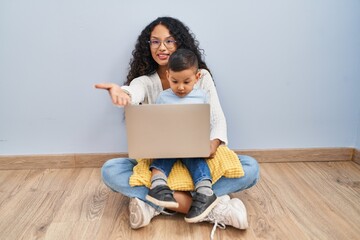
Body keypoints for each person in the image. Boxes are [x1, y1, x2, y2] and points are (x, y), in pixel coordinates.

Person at [95, 16, 259, 232]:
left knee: (250, 168)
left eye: (169, 41)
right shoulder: (145, 81)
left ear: (179, 44)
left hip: (198, 156)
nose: (161, 47)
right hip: (161, 161)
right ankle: (210, 208)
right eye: (155, 41)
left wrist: (213, 143)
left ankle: (156, 205)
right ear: (148, 46)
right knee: (111, 170)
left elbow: (217, 117)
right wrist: (122, 94)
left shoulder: (202, 76)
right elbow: (133, 92)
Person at [146, 49, 219, 223]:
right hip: (169, 143)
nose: (180, 87)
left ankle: (205, 192)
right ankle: (158, 186)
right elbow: (157, 123)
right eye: (174, 81)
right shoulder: (163, 97)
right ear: (167, 74)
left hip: (192, 144)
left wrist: (207, 142)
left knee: (196, 160)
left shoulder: (202, 96)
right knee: (162, 157)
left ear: (197, 77)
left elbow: (207, 122)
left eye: (186, 82)